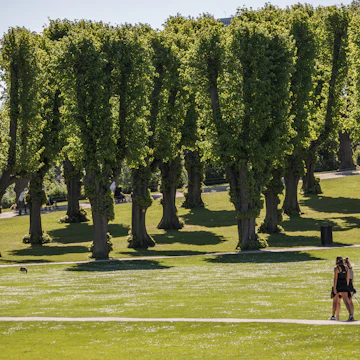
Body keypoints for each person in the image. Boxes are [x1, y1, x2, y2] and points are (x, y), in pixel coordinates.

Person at [330, 257, 355, 321]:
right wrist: (346, 286)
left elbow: (335, 279)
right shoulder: (347, 268)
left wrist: (335, 288)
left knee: (335, 301)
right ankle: (351, 315)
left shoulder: (337, 268)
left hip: (338, 285)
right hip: (344, 285)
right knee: (346, 301)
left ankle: (333, 315)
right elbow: (347, 278)